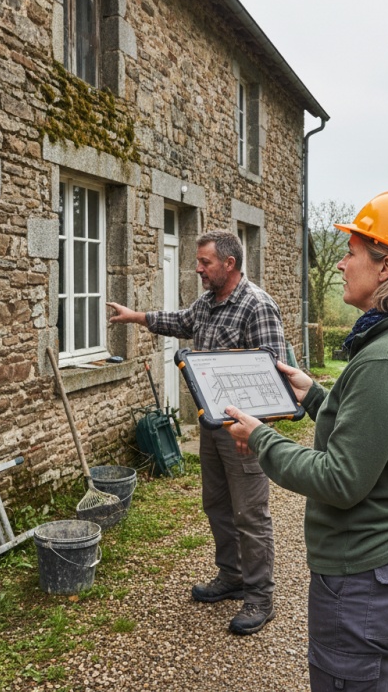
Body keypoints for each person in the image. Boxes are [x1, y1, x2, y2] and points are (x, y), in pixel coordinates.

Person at [223, 190, 388, 690]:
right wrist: (315, 395)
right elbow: (379, 431)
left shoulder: (384, 359)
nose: (341, 265)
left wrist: (261, 438)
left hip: (365, 576)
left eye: (351, 253)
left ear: (386, 267)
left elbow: (342, 479)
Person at [107, 229, 285, 636]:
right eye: (198, 261)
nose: (198, 269)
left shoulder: (257, 306)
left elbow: (273, 377)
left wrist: (254, 431)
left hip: (244, 432)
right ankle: (232, 576)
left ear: (229, 264)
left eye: (205, 262)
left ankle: (260, 596)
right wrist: (136, 317)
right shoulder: (206, 303)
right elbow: (181, 322)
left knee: (251, 515)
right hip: (212, 427)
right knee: (217, 505)